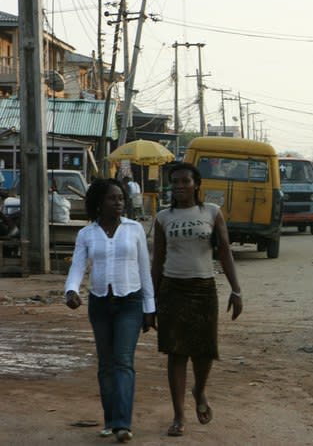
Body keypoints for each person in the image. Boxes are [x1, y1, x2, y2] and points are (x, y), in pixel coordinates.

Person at [151, 162, 243, 437]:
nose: (179, 186)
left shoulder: (212, 213)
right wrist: (151, 301)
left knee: (204, 351)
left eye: (185, 181)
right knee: (176, 352)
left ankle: (199, 391)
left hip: (203, 289)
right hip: (172, 290)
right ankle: (179, 415)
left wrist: (236, 290)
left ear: (196, 184)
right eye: (174, 182)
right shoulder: (163, 217)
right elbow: (158, 261)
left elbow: (225, 253)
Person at [64, 178, 156, 443]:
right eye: (112, 198)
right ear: (98, 203)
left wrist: (150, 307)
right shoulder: (87, 234)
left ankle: (122, 424)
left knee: (123, 361)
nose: (118, 203)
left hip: (130, 302)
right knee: (105, 364)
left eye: (121, 198)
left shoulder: (134, 229)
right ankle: (110, 420)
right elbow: (78, 267)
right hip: (100, 303)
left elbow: (144, 270)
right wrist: (71, 290)